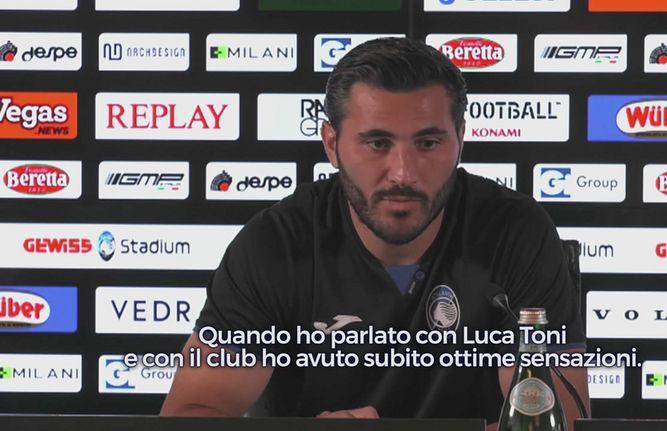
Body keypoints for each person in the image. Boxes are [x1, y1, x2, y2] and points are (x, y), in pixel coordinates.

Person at [160, 37, 589, 430]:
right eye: (377, 143)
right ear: (331, 144)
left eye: (427, 143)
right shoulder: (276, 245)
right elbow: (189, 415)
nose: (403, 173)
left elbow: (556, 422)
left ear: (460, 139)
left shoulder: (516, 234)